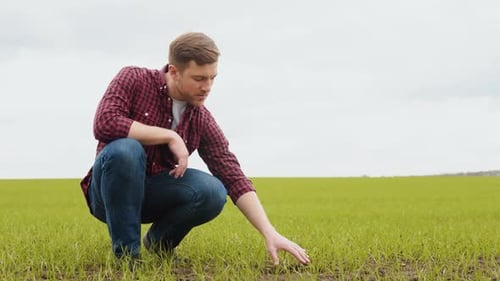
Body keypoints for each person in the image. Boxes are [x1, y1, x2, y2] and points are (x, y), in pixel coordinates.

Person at [80, 32, 311, 266]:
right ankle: (127, 258)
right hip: (109, 195)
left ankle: (160, 246)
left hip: (154, 195)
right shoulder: (134, 78)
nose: (207, 87)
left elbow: (232, 174)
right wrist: (169, 135)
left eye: (212, 78)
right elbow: (105, 123)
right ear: (174, 71)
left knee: (213, 191)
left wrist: (269, 232)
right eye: (199, 78)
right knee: (126, 151)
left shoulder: (200, 118)